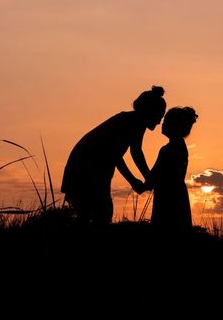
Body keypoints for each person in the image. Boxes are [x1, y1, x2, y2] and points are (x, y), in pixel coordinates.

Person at [61, 86, 167, 226]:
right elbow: (116, 155)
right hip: (86, 167)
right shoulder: (130, 122)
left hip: (89, 165)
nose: (160, 121)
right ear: (150, 111)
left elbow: (135, 153)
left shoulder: (134, 122)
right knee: (100, 213)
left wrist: (147, 177)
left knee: (92, 213)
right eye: (160, 115)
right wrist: (135, 180)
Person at [148, 106, 198, 232]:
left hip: (168, 196)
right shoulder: (180, 147)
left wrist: (141, 184)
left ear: (174, 126)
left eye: (166, 122)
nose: (162, 124)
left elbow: (153, 176)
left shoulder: (168, 149)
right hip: (177, 194)